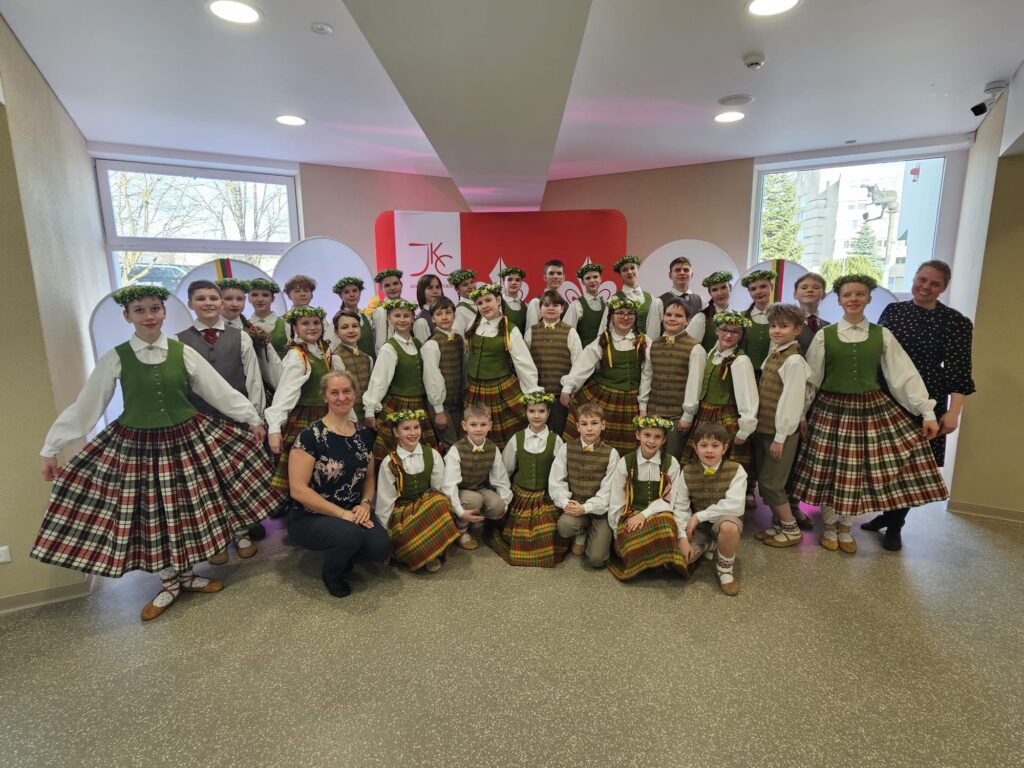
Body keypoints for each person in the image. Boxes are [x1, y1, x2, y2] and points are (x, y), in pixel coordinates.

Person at [35, 285, 275, 621]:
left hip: (187, 440)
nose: (149, 316)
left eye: (154, 309)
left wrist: (251, 417)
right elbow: (86, 406)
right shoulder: (117, 357)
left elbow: (217, 390)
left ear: (164, 312)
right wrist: (51, 447)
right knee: (154, 514)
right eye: (140, 310)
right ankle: (169, 582)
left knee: (186, 509)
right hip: (139, 447)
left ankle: (188, 575)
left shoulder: (182, 351)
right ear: (127, 316)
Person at [792, 274, 948, 554]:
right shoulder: (825, 335)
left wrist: (926, 411)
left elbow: (902, 375)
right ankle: (829, 525)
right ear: (838, 300)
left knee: (855, 472)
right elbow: (811, 378)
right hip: (831, 409)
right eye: (847, 295)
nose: (853, 299)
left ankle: (845, 527)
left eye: (859, 294)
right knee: (831, 469)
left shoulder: (881, 334)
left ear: (868, 298)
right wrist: (802, 413)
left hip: (869, 409)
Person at [866, 260, 975, 550]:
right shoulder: (894, 310)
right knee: (884, 461)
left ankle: (895, 525)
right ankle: (886, 514)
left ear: (944, 288)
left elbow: (960, 371)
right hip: (886, 395)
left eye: (934, 283)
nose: (925, 286)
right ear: (914, 278)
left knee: (911, 465)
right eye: (921, 279)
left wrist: (953, 413)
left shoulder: (955, 322)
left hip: (926, 400)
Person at [178, 279, 267, 560]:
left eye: (213, 298)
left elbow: (254, 379)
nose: (208, 303)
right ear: (190, 304)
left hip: (236, 419)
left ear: (221, 302)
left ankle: (241, 532)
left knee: (236, 478)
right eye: (201, 298)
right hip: (199, 420)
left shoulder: (240, 337)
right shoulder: (178, 342)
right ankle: (216, 540)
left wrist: (256, 417)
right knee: (206, 482)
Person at [286, 371, 388, 598]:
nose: (341, 397)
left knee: (380, 547)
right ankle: (332, 574)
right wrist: (342, 515)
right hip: (310, 515)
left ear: (355, 394)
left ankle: (345, 550)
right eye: (334, 392)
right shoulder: (310, 436)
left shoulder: (364, 434)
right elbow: (298, 490)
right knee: (349, 535)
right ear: (325, 397)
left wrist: (365, 504)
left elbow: (369, 477)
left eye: (346, 391)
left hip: (352, 510)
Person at [749, 304, 811, 548]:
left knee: (772, 483)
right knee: (766, 482)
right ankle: (778, 526)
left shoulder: (793, 360)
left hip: (779, 433)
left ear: (797, 330)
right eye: (773, 325)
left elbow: (792, 401)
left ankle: (791, 529)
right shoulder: (775, 353)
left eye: (783, 326)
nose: (776, 330)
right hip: (766, 428)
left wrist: (780, 437)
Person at [265, 306, 343, 497]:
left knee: (329, 467)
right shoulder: (297, 355)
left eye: (316, 323)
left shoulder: (325, 351)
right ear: (295, 328)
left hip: (328, 416)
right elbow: (285, 393)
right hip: (306, 418)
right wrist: (274, 428)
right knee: (305, 469)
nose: (312, 327)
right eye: (305, 323)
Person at [375, 409, 460, 572]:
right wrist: (385, 537)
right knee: (407, 531)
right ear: (396, 432)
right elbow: (385, 501)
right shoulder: (390, 462)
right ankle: (413, 552)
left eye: (416, 427)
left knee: (439, 501)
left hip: (426, 505)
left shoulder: (432, 455)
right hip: (402, 511)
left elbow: (439, 489)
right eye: (406, 429)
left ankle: (432, 553)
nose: (413, 433)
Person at [606, 416, 688, 581]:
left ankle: (654, 559)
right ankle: (656, 560)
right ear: (638, 435)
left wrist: (645, 514)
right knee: (631, 534)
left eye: (657, 437)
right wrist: (616, 535)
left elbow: (670, 500)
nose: (651, 441)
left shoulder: (671, 463)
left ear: (664, 440)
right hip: (631, 513)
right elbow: (617, 500)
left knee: (665, 526)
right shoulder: (626, 462)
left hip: (661, 512)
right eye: (647, 435)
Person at [681, 311, 758, 483]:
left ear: (741, 335)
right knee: (701, 460)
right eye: (724, 330)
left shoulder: (740, 361)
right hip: (704, 414)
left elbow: (748, 396)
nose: (728, 335)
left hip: (725, 417)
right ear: (717, 331)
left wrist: (745, 430)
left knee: (723, 466)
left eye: (735, 332)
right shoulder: (712, 354)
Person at [490, 394, 566, 567]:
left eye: (541, 411)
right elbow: (505, 470)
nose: (536, 415)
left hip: (544, 495)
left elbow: (561, 472)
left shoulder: (556, 440)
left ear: (548, 413)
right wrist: (504, 496)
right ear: (525, 412)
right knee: (520, 532)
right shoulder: (517, 439)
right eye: (532, 411)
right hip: (521, 494)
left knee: (546, 530)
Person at [561, 297, 645, 453]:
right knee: (599, 436)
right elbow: (583, 364)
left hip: (632, 400)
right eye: (620, 313)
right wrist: (567, 388)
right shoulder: (603, 340)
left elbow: (648, 374)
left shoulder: (643, 341)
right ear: (611, 316)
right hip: (606, 396)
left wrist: (644, 404)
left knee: (628, 442)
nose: (625, 317)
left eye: (630, 313)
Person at [362, 298, 443, 461]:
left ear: (413, 318)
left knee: (421, 450)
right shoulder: (389, 348)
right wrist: (370, 410)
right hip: (398, 405)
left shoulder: (417, 343)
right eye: (397, 316)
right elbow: (379, 381)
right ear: (389, 319)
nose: (402, 320)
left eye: (406, 316)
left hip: (419, 405)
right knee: (396, 452)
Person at [672, 422, 748, 595]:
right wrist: (682, 537)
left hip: (724, 521)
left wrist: (699, 516)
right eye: (704, 445)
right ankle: (709, 544)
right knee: (680, 561)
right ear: (695, 447)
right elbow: (681, 507)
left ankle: (725, 569)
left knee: (729, 527)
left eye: (715, 445)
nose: (709, 450)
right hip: (699, 528)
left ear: (724, 448)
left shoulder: (736, 470)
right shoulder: (687, 471)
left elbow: (735, 505)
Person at [464, 283, 542, 447]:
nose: (484, 306)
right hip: (475, 389)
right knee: (476, 427)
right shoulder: (473, 324)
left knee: (501, 431)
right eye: (480, 303)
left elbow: (523, 363)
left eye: (488, 300)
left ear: (498, 300)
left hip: (499, 387)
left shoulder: (509, 329)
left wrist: (533, 393)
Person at [549, 402, 618, 568]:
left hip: (600, 512)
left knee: (597, 560)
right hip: (576, 507)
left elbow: (608, 492)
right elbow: (557, 481)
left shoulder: (611, 453)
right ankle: (581, 532)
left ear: (603, 425)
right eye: (584, 424)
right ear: (578, 426)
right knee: (564, 526)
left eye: (594, 423)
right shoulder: (566, 448)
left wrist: (586, 508)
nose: (589, 429)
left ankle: (594, 535)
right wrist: (566, 503)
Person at [441, 403, 513, 551]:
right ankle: (461, 530)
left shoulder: (492, 448)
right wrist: (460, 511)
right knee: (474, 500)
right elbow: (450, 485)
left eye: (483, 424)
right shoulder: (456, 449)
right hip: (461, 491)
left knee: (497, 505)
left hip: (479, 488)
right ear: (464, 425)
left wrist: (504, 503)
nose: (478, 429)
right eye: (473, 425)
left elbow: (501, 480)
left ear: (489, 425)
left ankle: (476, 519)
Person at [638, 298, 701, 460]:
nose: (672, 319)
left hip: (677, 417)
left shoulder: (695, 348)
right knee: (651, 456)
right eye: (668, 314)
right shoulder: (654, 344)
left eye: (678, 316)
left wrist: (687, 416)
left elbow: (694, 384)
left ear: (687, 320)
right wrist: (643, 408)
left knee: (672, 458)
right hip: (653, 413)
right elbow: (647, 377)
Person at [525, 289, 583, 435]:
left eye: (555, 305)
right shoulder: (531, 331)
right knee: (537, 432)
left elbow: (578, 364)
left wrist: (567, 390)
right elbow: (524, 362)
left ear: (562, 309)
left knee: (558, 432)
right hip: (537, 395)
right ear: (540, 308)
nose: (550, 308)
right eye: (546, 305)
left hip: (560, 396)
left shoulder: (570, 332)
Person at [421, 296, 465, 448]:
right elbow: (432, 378)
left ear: (454, 315)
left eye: (448, 312)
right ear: (433, 319)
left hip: (458, 403)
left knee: (462, 442)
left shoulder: (458, 339)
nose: (444, 317)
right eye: (439, 314)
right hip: (441, 406)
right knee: (452, 446)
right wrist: (439, 411)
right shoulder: (432, 344)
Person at [331, 309, 374, 425]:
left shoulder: (367, 358)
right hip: (347, 417)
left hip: (367, 416)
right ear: (336, 332)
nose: (351, 330)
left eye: (355, 326)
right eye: (344, 327)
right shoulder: (336, 357)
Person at [647, 256, 703, 335]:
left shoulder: (701, 301)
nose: (682, 273)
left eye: (686, 270)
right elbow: (652, 335)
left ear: (692, 275)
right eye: (677, 270)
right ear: (670, 275)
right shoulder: (659, 302)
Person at [563, 262, 608, 349]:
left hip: (605, 353)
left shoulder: (607, 304)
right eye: (588, 278)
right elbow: (567, 333)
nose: (592, 281)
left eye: (595, 277)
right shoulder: (576, 305)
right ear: (583, 282)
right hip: (584, 353)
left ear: (600, 279)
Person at [611, 255, 656, 338]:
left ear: (638, 269)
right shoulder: (615, 299)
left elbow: (655, 327)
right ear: (620, 274)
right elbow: (607, 327)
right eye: (624, 270)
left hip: (647, 344)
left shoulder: (651, 298)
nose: (629, 272)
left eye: (632, 268)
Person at [740, 269, 775, 375]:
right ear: (749, 292)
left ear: (771, 287)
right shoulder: (741, 317)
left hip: (772, 374)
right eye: (753, 289)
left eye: (763, 286)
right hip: (745, 372)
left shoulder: (780, 317)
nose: (758, 292)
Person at [687, 271, 734, 350]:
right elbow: (689, 348)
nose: (720, 293)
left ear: (730, 288)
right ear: (710, 293)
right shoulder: (701, 318)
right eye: (714, 290)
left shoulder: (738, 315)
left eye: (723, 287)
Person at [333, 276, 376, 357]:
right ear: (340, 296)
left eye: (355, 291)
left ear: (360, 293)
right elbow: (332, 349)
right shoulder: (338, 320)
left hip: (372, 363)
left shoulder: (366, 317)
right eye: (346, 292)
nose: (352, 295)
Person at [248, 277, 289, 359]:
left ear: (273, 299)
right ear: (249, 299)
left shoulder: (286, 324)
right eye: (255, 295)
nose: (260, 299)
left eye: (265, 295)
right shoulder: (243, 326)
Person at [793, 273, 829, 355]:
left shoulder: (828, 327)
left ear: (824, 295)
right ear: (795, 294)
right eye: (804, 287)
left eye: (816, 287)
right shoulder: (787, 324)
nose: (810, 290)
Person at [371, 268, 406, 354]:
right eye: (387, 285)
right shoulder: (380, 310)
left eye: (395, 283)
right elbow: (381, 340)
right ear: (381, 289)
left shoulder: (408, 306)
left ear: (401, 285)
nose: (392, 288)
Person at [525, 260, 567, 328]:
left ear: (563, 278)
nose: (555, 276)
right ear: (544, 277)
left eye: (559, 273)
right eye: (551, 273)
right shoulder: (536, 302)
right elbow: (530, 331)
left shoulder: (566, 304)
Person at [413, 273, 444, 343]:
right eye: (430, 288)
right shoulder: (421, 321)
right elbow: (424, 348)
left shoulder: (446, 313)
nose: (435, 291)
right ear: (422, 292)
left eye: (437, 287)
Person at [448, 268, 478, 337]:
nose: (470, 286)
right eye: (465, 285)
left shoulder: (480, 303)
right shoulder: (459, 311)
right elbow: (458, 336)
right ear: (457, 289)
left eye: (472, 282)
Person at [499, 266, 528, 335]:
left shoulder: (526, 306)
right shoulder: (497, 305)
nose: (513, 283)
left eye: (517, 280)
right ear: (503, 283)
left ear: (521, 283)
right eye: (510, 279)